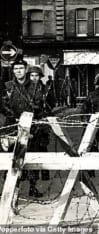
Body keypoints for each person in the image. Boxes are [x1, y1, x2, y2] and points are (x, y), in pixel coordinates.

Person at [3, 60, 48, 197]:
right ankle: (12, 189)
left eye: (21, 68)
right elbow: (3, 105)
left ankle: (33, 187)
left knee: (30, 157)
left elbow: (40, 106)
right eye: (16, 69)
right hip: (13, 127)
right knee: (11, 158)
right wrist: (13, 116)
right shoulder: (8, 86)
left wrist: (34, 118)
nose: (18, 71)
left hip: (31, 126)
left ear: (25, 69)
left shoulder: (35, 86)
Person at [27, 65, 51, 181]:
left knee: (43, 148)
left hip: (42, 122)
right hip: (30, 122)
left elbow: (51, 104)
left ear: (40, 77)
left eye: (36, 75)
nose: (34, 78)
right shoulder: (25, 89)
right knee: (32, 150)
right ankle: (33, 176)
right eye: (32, 75)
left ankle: (45, 175)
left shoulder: (45, 89)